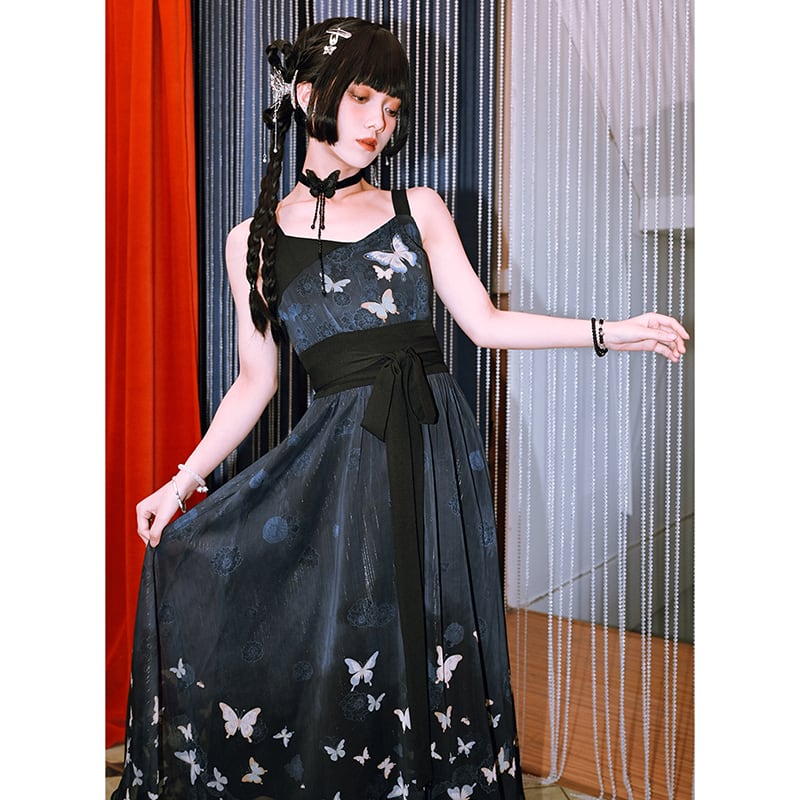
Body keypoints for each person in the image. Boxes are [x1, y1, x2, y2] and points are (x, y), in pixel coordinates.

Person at [112, 16, 688, 800]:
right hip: (338, 467)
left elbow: (484, 323)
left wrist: (609, 332)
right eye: (361, 99)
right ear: (308, 96)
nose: (378, 122)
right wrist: (181, 482)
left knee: (434, 635)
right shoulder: (252, 240)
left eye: (390, 107)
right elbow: (255, 381)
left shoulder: (419, 208)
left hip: (431, 447)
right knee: (351, 643)